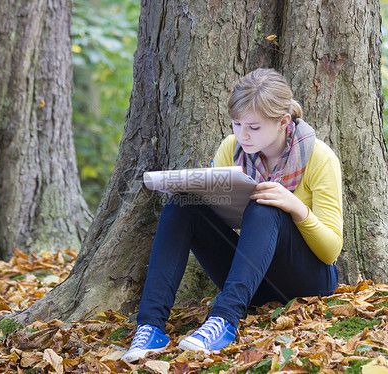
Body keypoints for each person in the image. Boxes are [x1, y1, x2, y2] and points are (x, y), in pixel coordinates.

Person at [121, 68, 343, 363]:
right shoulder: (232, 148)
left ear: (283, 122)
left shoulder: (319, 157)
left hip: (308, 281)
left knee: (267, 205)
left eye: (253, 127)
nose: (243, 135)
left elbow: (330, 252)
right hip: (252, 276)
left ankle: (224, 321)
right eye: (237, 124)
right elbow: (220, 216)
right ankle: (151, 326)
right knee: (182, 205)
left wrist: (296, 207)